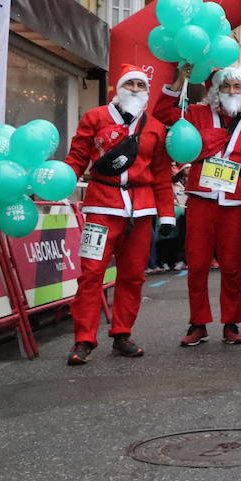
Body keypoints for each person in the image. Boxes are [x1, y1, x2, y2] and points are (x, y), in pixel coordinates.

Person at [63, 65, 176, 366]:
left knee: (133, 276)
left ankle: (122, 334)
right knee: (91, 274)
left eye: (141, 84)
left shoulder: (155, 127)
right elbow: (77, 157)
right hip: (101, 208)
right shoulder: (95, 118)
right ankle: (83, 339)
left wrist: (166, 214)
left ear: (147, 91)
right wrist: (60, 183)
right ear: (118, 88)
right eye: (131, 83)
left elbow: (162, 174)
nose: (136, 89)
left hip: (140, 211)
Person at [154, 64, 241, 347]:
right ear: (215, 90)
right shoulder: (196, 114)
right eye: (225, 86)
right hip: (202, 198)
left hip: (234, 201)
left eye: (236, 87)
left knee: (231, 266)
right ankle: (198, 323)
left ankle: (231, 322)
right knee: (198, 263)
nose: (231, 91)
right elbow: (162, 114)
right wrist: (181, 79)